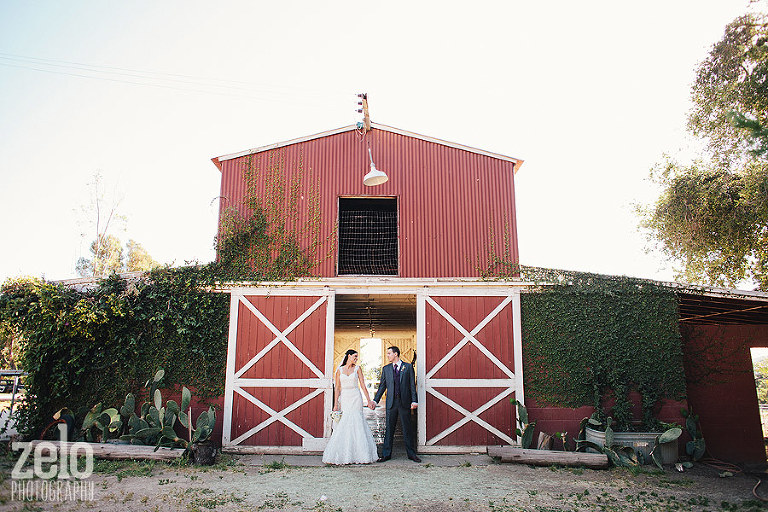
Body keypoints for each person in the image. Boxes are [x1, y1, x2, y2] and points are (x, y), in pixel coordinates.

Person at [322, 349, 378, 464]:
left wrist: (368, 400)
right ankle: (344, 453)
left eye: (357, 357)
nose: (356, 359)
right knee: (345, 422)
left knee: (357, 421)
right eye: (355, 356)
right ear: (348, 356)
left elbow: (362, 385)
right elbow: (337, 388)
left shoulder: (357, 369)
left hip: (356, 397)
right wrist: (335, 404)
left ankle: (361, 454)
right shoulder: (339, 370)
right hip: (345, 397)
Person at [371, 346, 421, 462]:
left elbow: (412, 386)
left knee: (407, 428)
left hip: (404, 402)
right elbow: (382, 386)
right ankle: (386, 454)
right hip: (391, 403)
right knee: (389, 429)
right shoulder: (386, 369)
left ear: (396, 354)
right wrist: (375, 400)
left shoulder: (408, 367)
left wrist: (414, 400)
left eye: (389, 353)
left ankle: (411, 454)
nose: (387, 355)